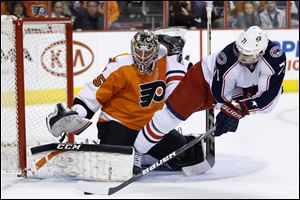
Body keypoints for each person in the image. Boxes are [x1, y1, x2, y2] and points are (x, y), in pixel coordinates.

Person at [46, 29, 206, 173]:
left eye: (148, 52)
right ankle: (113, 149)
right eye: (139, 52)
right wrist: (77, 113)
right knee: (116, 166)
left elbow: (194, 80)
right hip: (118, 124)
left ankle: (141, 155)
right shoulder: (120, 65)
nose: (143, 57)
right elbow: (93, 92)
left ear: (156, 50)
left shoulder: (170, 64)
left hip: (151, 128)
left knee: (186, 157)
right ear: (132, 49)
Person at [133, 26, 287, 169]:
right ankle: (136, 152)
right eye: (239, 51)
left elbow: (266, 98)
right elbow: (219, 94)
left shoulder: (275, 59)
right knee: (170, 115)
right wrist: (230, 112)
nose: (240, 57)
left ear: (259, 54)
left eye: (246, 55)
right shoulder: (227, 58)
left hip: (238, 88)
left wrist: (235, 112)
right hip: (203, 81)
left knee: (270, 105)